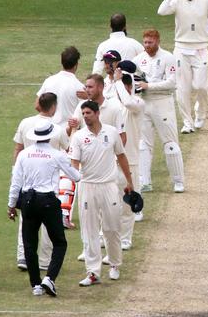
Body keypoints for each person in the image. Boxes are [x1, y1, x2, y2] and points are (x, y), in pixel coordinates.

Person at [8, 121, 81, 297]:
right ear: (49, 136)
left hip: (27, 201)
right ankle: (49, 278)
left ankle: (36, 285)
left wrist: (11, 205)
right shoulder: (57, 155)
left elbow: (16, 182)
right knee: (60, 242)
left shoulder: (24, 154)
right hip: (48, 201)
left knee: (29, 244)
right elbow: (76, 176)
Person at [69, 101, 134, 287]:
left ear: (97, 113)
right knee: (89, 230)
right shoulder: (79, 137)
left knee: (112, 227)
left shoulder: (112, 132)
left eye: (88, 112)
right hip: (88, 186)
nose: (85, 116)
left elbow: (121, 156)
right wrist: (75, 179)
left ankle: (114, 264)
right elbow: (74, 163)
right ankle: (92, 272)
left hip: (109, 186)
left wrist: (129, 182)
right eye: (83, 113)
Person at [158, 0, 208, 133]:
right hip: (181, 48)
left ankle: (200, 115)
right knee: (182, 88)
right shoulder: (177, 2)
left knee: (201, 86)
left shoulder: (204, 1)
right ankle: (187, 123)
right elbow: (161, 11)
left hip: (200, 49)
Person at [12, 92, 69, 271]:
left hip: (27, 177)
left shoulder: (25, 122)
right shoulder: (58, 129)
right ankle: (44, 260)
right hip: (49, 182)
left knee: (26, 218)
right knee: (48, 220)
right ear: (53, 107)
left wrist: (16, 172)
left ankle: (23, 257)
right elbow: (68, 150)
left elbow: (18, 149)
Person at [132, 29, 185, 194]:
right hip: (144, 103)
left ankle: (178, 182)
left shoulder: (168, 57)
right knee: (143, 145)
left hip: (162, 102)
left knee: (170, 145)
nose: (147, 46)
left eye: (150, 42)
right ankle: (144, 181)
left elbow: (172, 83)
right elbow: (133, 80)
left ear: (157, 41)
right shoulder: (138, 60)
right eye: (145, 42)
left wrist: (150, 85)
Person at [112, 71, 144, 249]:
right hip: (110, 161)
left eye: (125, 85)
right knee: (108, 203)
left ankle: (125, 239)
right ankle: (104, 235)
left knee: (127, 203)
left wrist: (118, 83)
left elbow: (128, 101)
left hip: (130, 161)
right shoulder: (112, 106)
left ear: (130, 86)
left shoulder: (138, 103)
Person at [37, 46, 86, 126]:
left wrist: (50, 118)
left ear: (62, 62)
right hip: (68, 132)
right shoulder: (80, 88)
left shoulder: (49, 81)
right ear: (76, 65)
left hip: (50, 130)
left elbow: (37, 105)